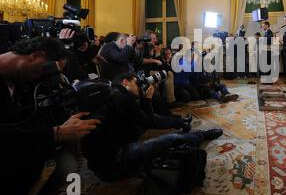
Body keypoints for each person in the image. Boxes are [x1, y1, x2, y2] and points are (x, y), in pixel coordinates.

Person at [0, 35, 101, 195]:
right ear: (35, 56)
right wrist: (56, 133)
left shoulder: (21, 80)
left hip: (23, 160)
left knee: (70, 163)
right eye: (47, 71)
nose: (45, 77)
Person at [82, 73, 223, 181]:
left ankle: (181, 123)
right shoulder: (122, 99)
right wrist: (148, 98)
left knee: (151, 121)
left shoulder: (113, 95)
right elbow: (148, 122)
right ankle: (202, 135)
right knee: (170, 139)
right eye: (136, 83)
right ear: (125, 82)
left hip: (100, 166)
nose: (140, 86)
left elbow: (143, 119)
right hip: (115, 164)